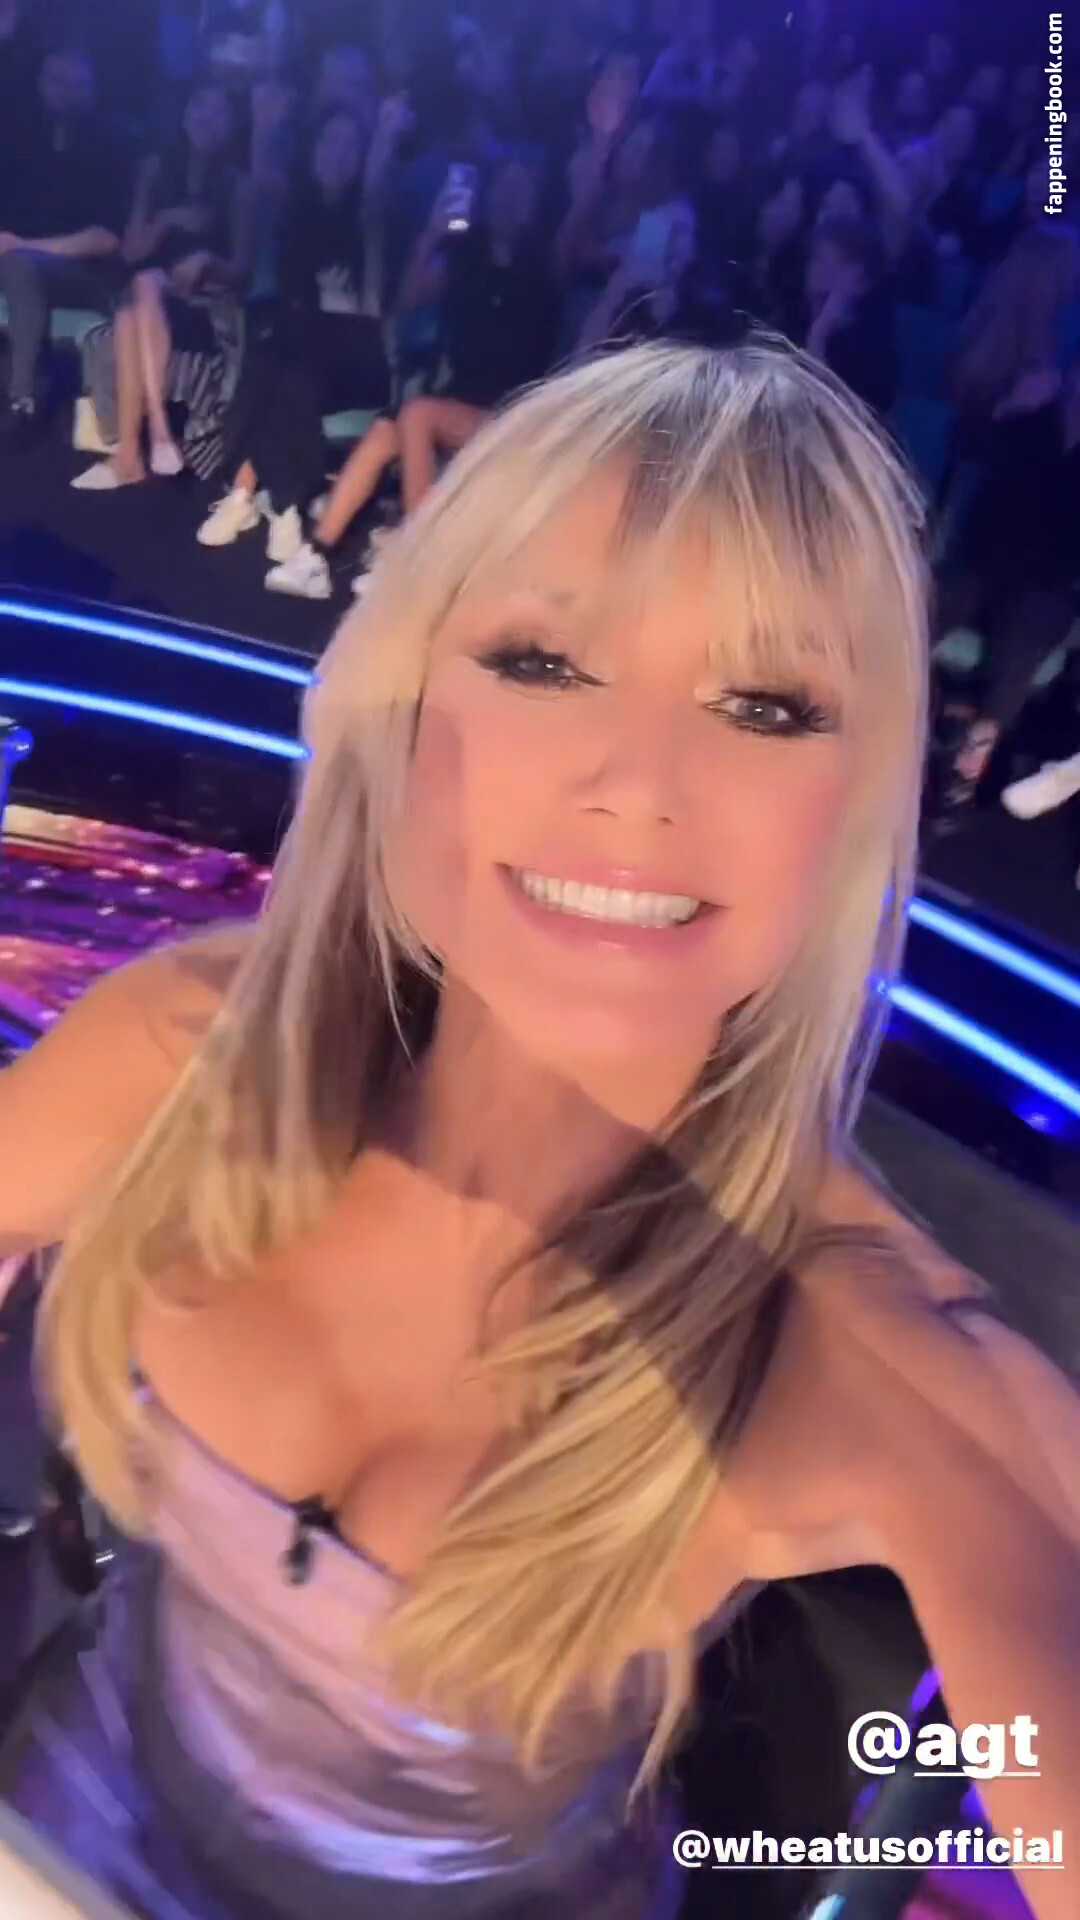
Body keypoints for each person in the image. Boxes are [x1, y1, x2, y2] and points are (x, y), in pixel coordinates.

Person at [1, 341, 1079, 1920]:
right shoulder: (179, 1060)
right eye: (544, 663)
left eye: (765, 703)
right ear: (402, 703)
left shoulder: (873, 1363)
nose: (637, 783)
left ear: (853, 808)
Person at [271, 150, 561, 600]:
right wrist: (431, 234)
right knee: (388, 430)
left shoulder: (544, 266)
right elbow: (406, 302)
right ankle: (316, 554)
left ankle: (416, 562)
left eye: (520, 190)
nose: (509, 198)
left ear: (533, 204)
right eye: (502, 187)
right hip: (458, 402)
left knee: (418, 412)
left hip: (517, 414)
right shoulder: (466, 258)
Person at [193, 103, 397, 575]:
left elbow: (372, 311)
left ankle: (245, 493)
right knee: (288, 368)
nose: (338, 153)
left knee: (278, 352)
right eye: (330, 141)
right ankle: (283, 507)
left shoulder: (369, 217)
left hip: (356, 354)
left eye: (350, 145)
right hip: (301, 357)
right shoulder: (293, 212)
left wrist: (341, 305)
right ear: (313, 148)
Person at [71, 79, 255, 490]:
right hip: (153, 298)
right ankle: (150, 438)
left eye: (219, 111)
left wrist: (207, 260)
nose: (206, 117)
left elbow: (242, 270)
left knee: (140, 295)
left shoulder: (238, 184)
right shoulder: (156, 169)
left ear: (232, 124)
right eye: (199, 106)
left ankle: (134, 452)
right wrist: (168, 219)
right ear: (185, 115)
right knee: (136, 300)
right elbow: (132, 250)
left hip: (208, 304)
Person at [0, 44, 131, 441]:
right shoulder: (21, 143)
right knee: (15, 264)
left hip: (88, 276)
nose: (66, 91)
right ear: (41, 83)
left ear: (92, 89)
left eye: (77, 83)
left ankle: (23, 399)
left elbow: (106, 239)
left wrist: (25, 247)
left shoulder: (110, 148)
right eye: (57, 80)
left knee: (18, 264)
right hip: (17, 262)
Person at [803, 216, 898, 416]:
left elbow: (831, 415)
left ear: (857, 274)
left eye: (820, 258)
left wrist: (818, 337)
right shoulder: (792, 318)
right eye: (813, 258)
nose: (812, 267)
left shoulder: (871, 350)